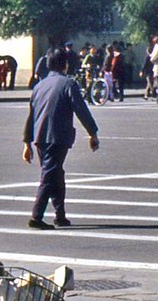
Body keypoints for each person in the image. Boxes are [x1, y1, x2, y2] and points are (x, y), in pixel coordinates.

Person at [22, 48, 99, 229]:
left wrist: (27, 143)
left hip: (40, 138)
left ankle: (60, 215)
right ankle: (36, 216)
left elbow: (31, 115)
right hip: (58, 137)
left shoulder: (39, 86)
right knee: (50, 176)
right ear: (64, 64)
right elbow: (81, 110)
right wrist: (92, 132)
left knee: (56, 175)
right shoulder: (68, 84)